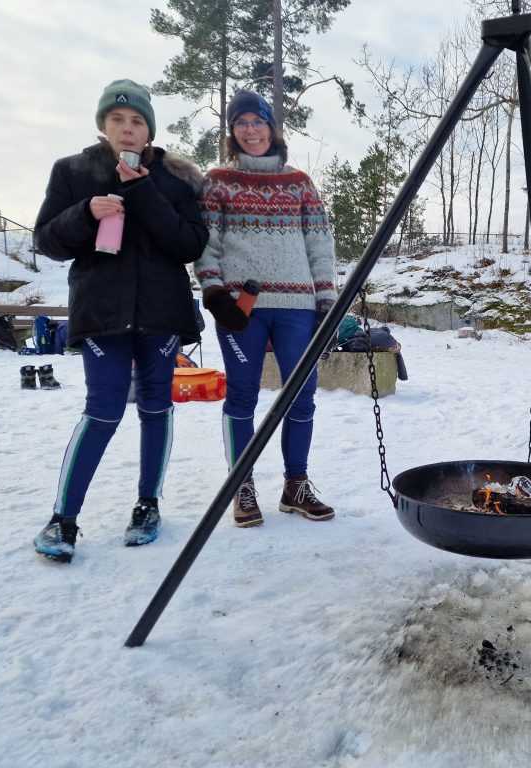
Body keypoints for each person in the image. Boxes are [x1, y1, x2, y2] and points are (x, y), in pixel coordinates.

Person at [32, 79, 208, 563]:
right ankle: (62, 519)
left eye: (137, 122)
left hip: (161, 313)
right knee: (102, 410)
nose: (127, 129)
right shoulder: (72, 171)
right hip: (102, 311)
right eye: (118, 120)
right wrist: (85, 213)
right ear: (103, 124)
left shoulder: (174, 179)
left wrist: (143, 190)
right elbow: (47, 240)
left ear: (148, 130)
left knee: (156, 408)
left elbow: (189, 245)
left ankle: (147, 505)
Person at [195, 90, 337, 528]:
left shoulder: (299, 182)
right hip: (242, 308)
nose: (250, 131)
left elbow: (319, 241)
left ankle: (296, 485)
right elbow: (207, 243)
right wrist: (215, 292)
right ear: (231, 132)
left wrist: (326, 297)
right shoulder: (217, 180)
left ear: (272, 128)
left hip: (297, 305)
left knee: (303, 394)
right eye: (241, 123)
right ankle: (243, 485)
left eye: (258, 122)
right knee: (241, 394)